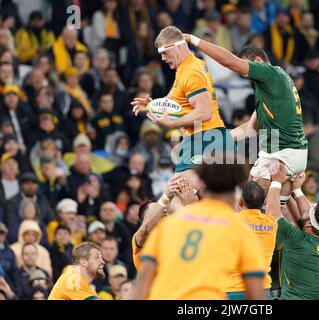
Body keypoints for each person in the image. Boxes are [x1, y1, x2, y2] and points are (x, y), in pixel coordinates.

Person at [183, 32, 309, 201]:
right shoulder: (271, 86)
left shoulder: (270, 73)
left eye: (245, 69)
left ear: (257, 61)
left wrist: (194, 40)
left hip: (281, 153)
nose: (245, 75)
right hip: (291, 153)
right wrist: (215, 140)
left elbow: (229, 61)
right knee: (270, 212)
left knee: (248, 206)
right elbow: (250, 129)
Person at [134, 155, 267, 300]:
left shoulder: (169, 224)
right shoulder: (241, 230)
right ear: (238, 196)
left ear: (202, 188)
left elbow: (144, 280)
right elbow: (256, 295)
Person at [131, 26, 232, 183]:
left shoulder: (190, 72)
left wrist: (172, 123)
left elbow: (205, 112)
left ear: (178, 46)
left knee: (179, 191)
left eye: (164, 52)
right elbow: (174, 100)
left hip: (204, 139)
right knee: (186, 196)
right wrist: (152, 105)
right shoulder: (188, 66)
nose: (163, 58)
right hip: (206, 137)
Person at [265, 163, 319, 300]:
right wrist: (296, 189)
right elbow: (304, 216)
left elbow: (272, 213)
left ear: (310, 225)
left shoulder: (298, 241)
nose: (308, 207)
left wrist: (276, 182)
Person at [226, 181, 277, 300]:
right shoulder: (272, 223)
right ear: (263, 203)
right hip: (262, 292)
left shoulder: (231, 220)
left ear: (240, 201)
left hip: (232, 291)